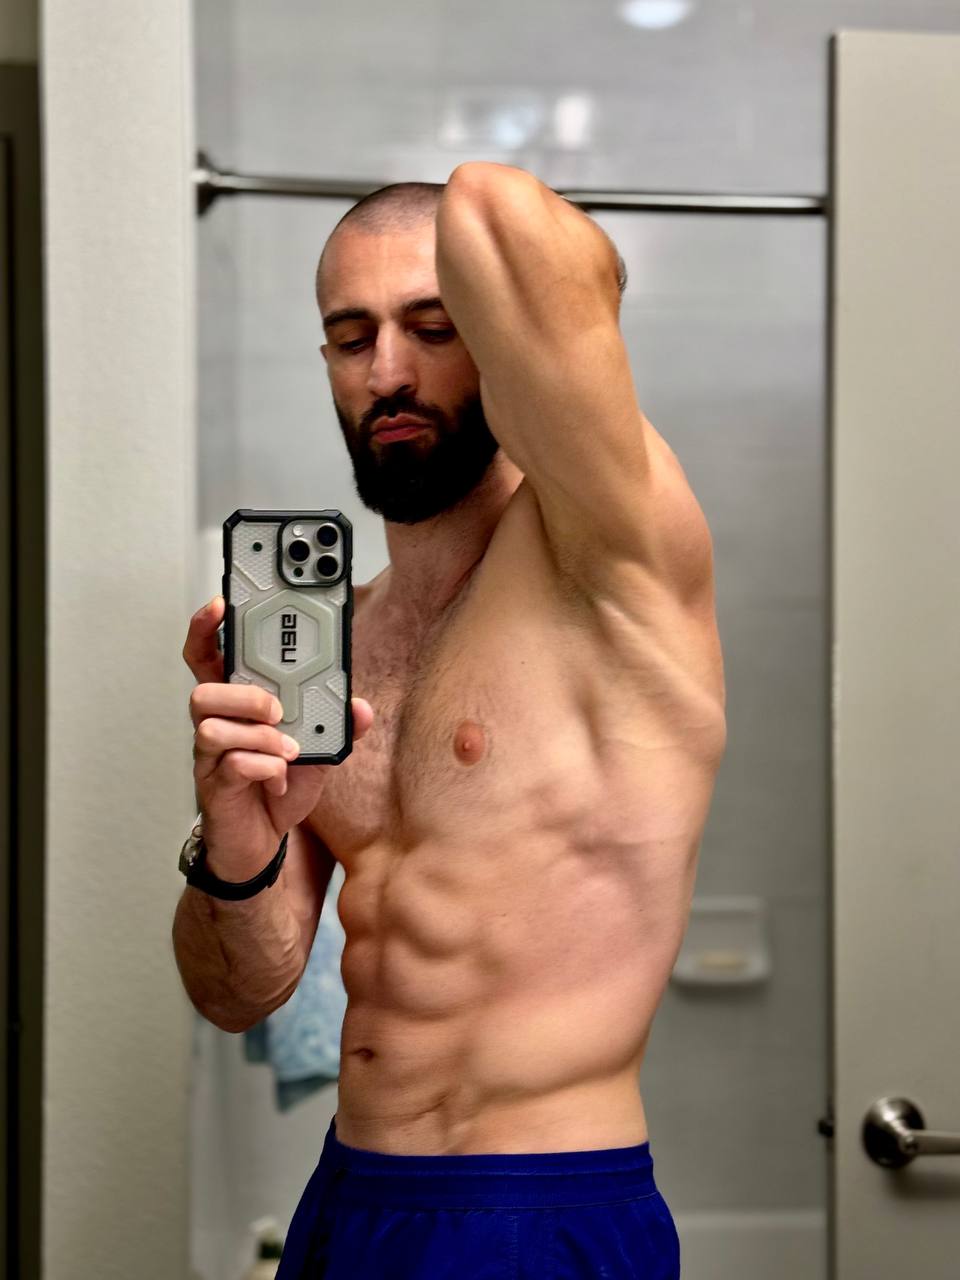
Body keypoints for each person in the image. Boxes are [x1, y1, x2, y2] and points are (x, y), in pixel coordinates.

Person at [174, 161, 726, 1280]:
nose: (388, 372)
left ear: (502, 341)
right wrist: (235, 845)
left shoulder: (616, 553)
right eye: (352, 338)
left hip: (537, 1209)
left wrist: (487, 285)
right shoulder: (336, 641)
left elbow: (500, 211)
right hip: (350, 1200)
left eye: (434, 327)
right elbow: (237, 994)